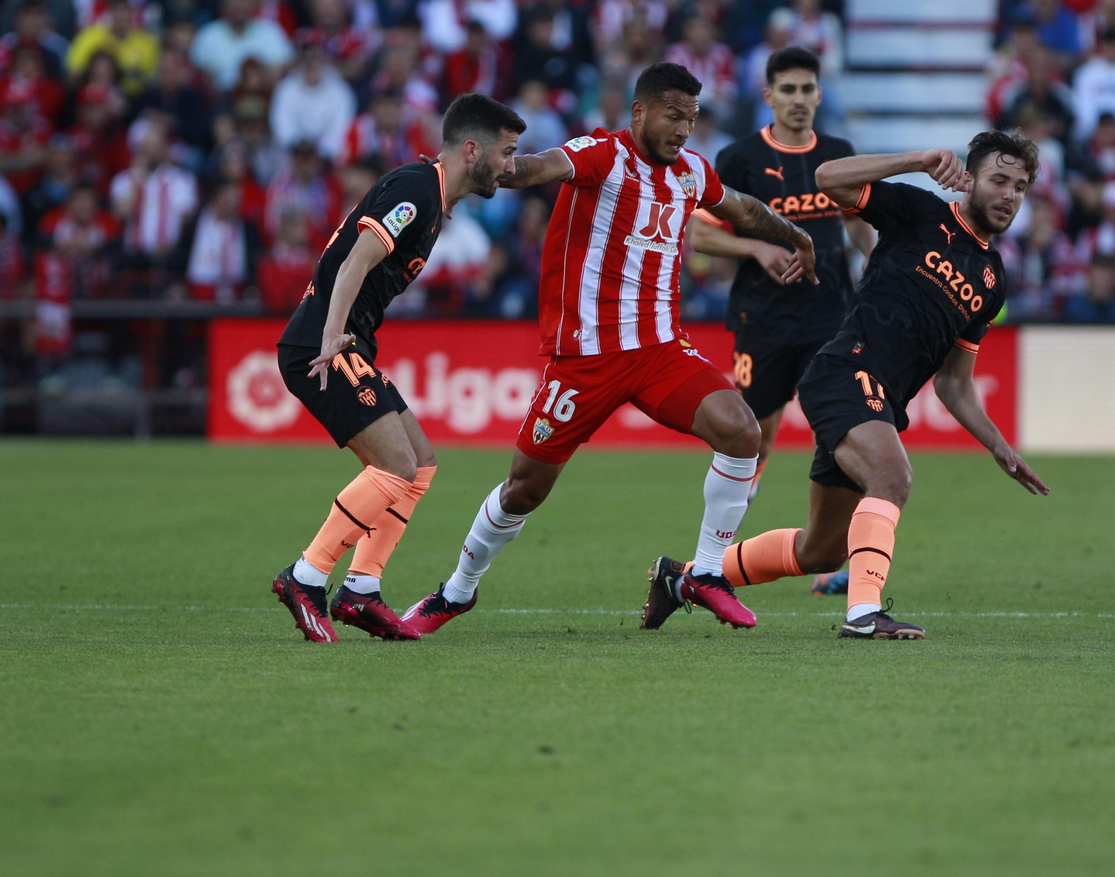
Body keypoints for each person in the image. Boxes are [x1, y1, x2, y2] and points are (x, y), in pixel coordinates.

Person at [404, 62, 818, 635]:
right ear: (640, 112)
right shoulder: (602, 154)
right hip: (584, 359)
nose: (683, 130)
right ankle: (456, 592)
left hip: (659, 351)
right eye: (674, 116)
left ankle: (705, 574)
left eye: (692, 119)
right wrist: (489, 168)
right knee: (524, 489)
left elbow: (742, 208)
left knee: (743, 432)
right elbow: (539, 167)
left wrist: (796, 235)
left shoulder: (693, 173)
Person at [646, 133, 1050, 640]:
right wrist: (915, 161)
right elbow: (827, 179)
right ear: (968, 179)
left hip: (877, 399)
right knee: (893, 478)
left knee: (821, 550)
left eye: (1020, 186)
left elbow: (954, 384)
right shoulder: (921, 211)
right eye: (999, 180)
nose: (1009, 194)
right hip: (845, 371)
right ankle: (863, 614)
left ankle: (681, 580)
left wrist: (999, 447)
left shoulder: (993, 280)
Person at [270, 93, 527, 644]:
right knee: (394, 466)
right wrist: (335, 335)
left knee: (420, 463)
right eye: (506, 153)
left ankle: (361, 590)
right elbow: (358, 257)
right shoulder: (415, 189)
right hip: (325, 343)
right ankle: (306, 578)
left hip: (347, 342)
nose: (511, 167)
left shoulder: (435, 203)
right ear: (470, 149)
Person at [687, 45, 871, 523]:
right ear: (769, 95)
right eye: (788, 89)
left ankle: (838, 546)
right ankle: (723, 538)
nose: (798, 98)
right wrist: (757, 247)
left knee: (841, 428)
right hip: (763, 316)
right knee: (756, 434)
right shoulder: (740, 158)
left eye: (807, 88)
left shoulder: (837, 155)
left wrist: (879, 263)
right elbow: (697, 231)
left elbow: (855, 224)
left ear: (819, 94)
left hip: (831, 313)